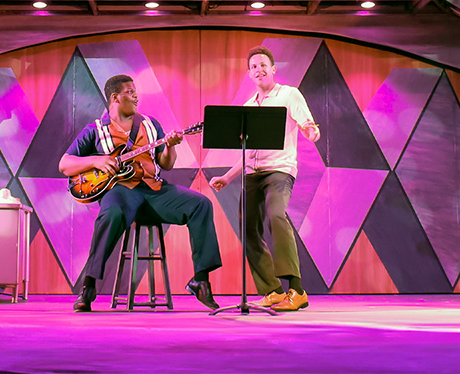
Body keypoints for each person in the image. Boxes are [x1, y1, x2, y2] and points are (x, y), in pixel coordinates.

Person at [59, 74, 222, 312]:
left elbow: (166, 164)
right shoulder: (95, 130)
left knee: (201, 204)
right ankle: (89, 285)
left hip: (155, 190)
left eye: (135, 91)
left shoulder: (150, 124)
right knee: (111, 214)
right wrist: (96, 160)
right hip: (121, 192)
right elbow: (64, 164)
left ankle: (201, 280)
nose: (136, 96)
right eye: (130, 92)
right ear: (115, 97)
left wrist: (170, 146)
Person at [209, 46, 320, 312]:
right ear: (249, 74)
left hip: (279, 170)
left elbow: (308, 125)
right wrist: (227, 177)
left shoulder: (289, 94)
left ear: (273, 69)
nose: (258, 70)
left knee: (276, 215)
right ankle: (272, 290)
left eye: (262, 65)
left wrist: (311, 131)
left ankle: (297, 290)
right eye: (254, 67)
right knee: (248, 228)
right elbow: (249, 153)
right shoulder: (248, 107)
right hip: (252, 175)